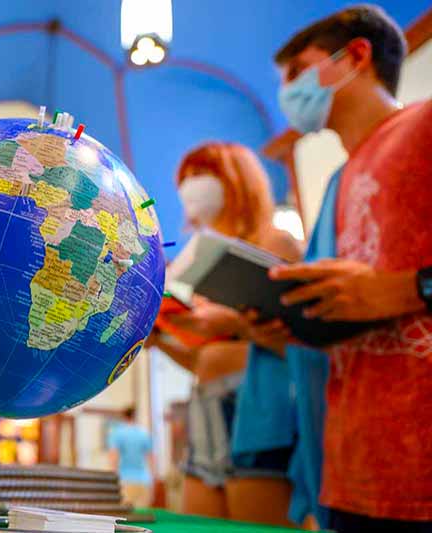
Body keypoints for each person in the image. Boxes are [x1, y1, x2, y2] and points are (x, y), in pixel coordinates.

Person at [243, 5, 432, 532]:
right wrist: (286, 326)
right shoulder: (337, 184)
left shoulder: (425, 125)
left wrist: (409, 289)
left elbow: (389, 294)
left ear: (357, 55)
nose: (290, 93)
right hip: (352, 471)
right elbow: (353, 310)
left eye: (299, 71)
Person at [147, 141, 302, 525]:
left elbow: (301, 335)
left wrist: (230, 321)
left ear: (236, 179)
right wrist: (160, 340)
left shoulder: (277, 241)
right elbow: (202, 360)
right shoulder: (202, 261)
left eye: (203, 174)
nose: (192, 187)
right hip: (206, 408)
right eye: (186, 179)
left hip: (261, 407)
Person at [107, 407, 154, 509]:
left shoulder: (117, 433)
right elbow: (151, 459)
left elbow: (114, 458)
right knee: (143, 516)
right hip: (143, 481)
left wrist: (112, 480)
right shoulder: (144, 434)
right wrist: (152, 480)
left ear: (124, 417)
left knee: (125, 517)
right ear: (135, 416)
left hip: (125, 480)